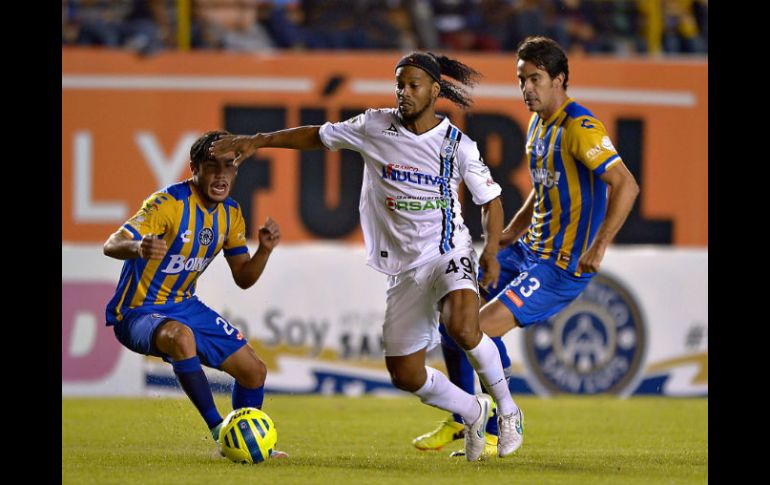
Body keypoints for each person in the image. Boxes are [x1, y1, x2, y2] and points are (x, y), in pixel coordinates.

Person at [210, 52, 522, 461]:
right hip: (403, 268)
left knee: (463, 327)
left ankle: (508, 410)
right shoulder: (375, 125)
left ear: (434, 90)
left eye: (413, 86)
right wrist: (260, 140)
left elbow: (492, 200)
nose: (403, 93)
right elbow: (317, 135)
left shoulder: (457, 145)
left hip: (448, 250)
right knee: (404, 373)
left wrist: (492, 252)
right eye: (399, 85)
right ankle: (472, 409)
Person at [412, 35, 640, 457]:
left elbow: (626, 184)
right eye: (521, 80)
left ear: (560, 79)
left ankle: (501, 421)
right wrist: (505, 238)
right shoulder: (538, 125)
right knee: (451, 317)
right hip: (527, 250)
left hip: (560, 266)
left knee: (476, 328)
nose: (527, 89)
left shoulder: (580, 127)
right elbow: (543, 189)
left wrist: (600, 246)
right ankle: (466, 416)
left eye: (535, 79)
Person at [103, 130, 287, 459]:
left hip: (185, 305)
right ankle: (224, 435)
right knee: (180, 336)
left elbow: (243, 277)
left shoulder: (231, 215)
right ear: (194, 168)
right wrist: (138, 246)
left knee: (254, 371)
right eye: (211, 165)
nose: (220, 174)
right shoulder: (167, 204)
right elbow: (112, 243)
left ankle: (245, 441)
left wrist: (265, 251)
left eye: (229, 166)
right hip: (136, 311)